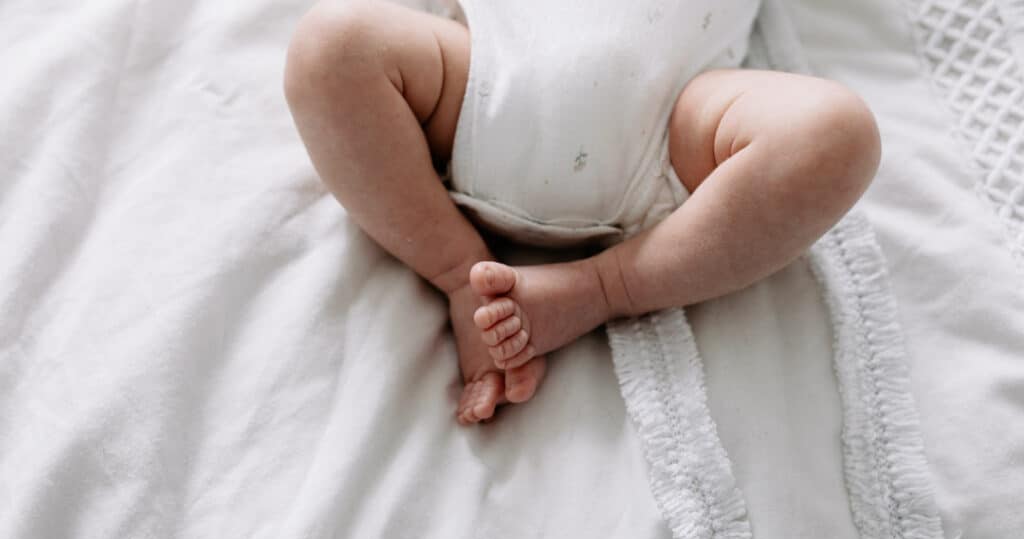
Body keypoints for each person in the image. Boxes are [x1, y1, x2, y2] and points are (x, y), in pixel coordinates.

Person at [283, 0, 881, 424]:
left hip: (674, 131)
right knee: (331, 43)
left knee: (835, 133)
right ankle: (459, 271)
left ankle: (602, 286)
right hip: (479, 85)